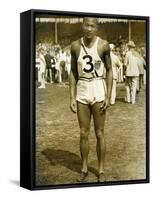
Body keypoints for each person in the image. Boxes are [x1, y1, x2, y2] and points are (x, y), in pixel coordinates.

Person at [69, 17, 113, 182]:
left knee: (100, 133)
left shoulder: (103, 45)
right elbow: (73, 72)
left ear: (97, 28)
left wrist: (108, 96)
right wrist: (72, 97)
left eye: (92, 26)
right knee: (83, 133)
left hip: (98, 88)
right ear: (82, 26)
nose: (89, 28)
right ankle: (84, 168)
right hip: (82, 89)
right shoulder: (75, 46)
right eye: (86, 25)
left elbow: (109, 70)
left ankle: (101, 170)